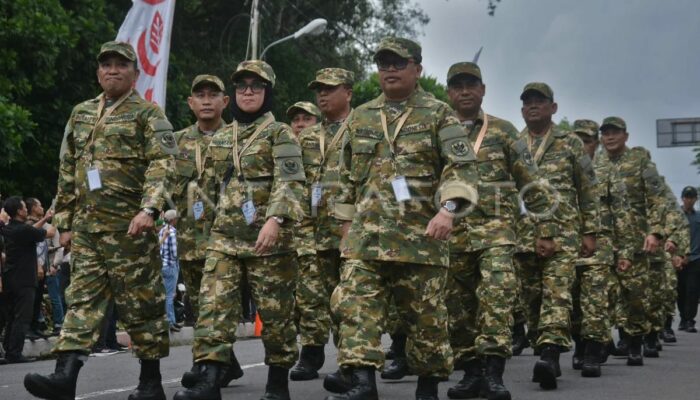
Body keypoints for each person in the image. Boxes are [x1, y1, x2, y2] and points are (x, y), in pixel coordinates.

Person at [326, 37, 479, 400]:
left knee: (425, 322)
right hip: (366, 240)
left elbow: (463, 167)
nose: (390, 70)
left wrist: (448, 210)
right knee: (355, 308)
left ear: (417, 69)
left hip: (421, 241)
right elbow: (344, 175)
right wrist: (346, 226)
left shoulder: (439, 114)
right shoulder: (361, 115)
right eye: (383, 64)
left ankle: (427, 387)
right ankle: (363, 383)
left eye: (398, 63)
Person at [24, 41, 177, 400]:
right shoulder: (81, 113)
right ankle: (65, 378)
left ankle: (151, 382)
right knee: (81, 302)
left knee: (142, 306)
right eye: (106, 64)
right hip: (89, 231)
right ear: (98, 72)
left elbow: (163, 165)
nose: (112, 70)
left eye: (120, 65)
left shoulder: (149, 115)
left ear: (134, 73)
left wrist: (149, 209)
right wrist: (64, 222)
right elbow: (68, 168)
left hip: (130, 230)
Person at [173, 60, 305, 400]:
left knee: (276, 319)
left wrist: (275, 220)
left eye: (256, 87)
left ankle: (277, 384)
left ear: (268, 92)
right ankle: (210, 381)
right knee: (213, 311)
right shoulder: (222, 136)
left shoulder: (280, 134)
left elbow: (290, 182)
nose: (248, 92)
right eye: (242, 86)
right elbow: (206, 186)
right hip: (224, 241)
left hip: (268, 244)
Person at [443, 63, 557, 400]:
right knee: (458, 309)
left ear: (483, 90)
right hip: (451, 235)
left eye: (471, 85)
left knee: (496, 298)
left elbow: (532, 182)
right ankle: (471, 374)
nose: (465, 91)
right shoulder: (438, 130)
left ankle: (494, 375)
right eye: (458, 86)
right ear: (449, 93)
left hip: (497, 233)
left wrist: (546, 228)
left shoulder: (504, 131)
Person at [515, 83, 598, 390]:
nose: (533, 106)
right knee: (532, 299)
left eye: (540, 101)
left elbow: (587, 188)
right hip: (523, 235)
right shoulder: (514, 143)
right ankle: (543, 344)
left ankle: (550, 356)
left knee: (557, 294)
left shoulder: (570, 143)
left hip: (564, 234)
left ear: (554, 107)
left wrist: (591, 232)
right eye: (527, 102)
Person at [170, 74, 244, 389]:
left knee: (220, 302)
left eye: (213, 94)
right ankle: (224, 363)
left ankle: (206, 364)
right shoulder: (176, 142)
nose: (206, 100)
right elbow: (165, 184)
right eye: (199, 94)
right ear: (190, 103)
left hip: (227, 236)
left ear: (225, 102)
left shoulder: (240, 138)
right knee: (200, 304)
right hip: (191, 236)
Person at [291, 68, 354, 382]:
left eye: (330, 88)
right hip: (313, 232)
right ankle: (311, 353)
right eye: (319, 89)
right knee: (311, 296)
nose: (323, 95)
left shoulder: (362, 128)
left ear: (348, 93)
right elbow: (296, 182)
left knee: (348, 298)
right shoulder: (308, 137)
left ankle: (350, 361)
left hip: (349, 231)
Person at [595, 116, 666, 367]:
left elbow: (658, 198)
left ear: (626, 135)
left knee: (634, 295)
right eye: (605, 133)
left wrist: (655, 232)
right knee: (602, 294)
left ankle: (635, 342)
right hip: (603, 239)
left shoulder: (640, 162)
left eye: (615, 132)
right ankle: (605, 340)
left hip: (636, 239)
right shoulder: (596, 164)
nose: (610, 137)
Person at [569, 119, 618, 377]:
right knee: (574, 302)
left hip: (600, 243)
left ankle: (592, 352)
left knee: (595, 301)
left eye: (587, 141)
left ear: (595, 144)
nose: (582, 146)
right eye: (577, 141)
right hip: (569, 243)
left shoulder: (607, 170)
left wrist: (627, 251)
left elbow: (622, 212)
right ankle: (580, 344)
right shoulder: (563, 167)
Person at [0, 196, 52, 363]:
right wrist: (56, 219)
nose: (26, 209)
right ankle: (15, 353)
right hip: (24, 280)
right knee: (22, 318)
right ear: (19, 211)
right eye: (23, 207)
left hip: (10, 279)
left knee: (12, 318)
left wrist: (44, 218)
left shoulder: (9, 229)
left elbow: (31, 231)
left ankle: (9, 350)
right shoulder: (24, 231)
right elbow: (49, 233)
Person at [679, 186, 700, 332]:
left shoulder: (698, 217)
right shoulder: (676, 215)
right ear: (682, 198)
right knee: (680, 290)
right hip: (678, 259)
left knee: (693, 290)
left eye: (692, 197)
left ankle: (690, 320)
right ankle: (682, 318)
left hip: (695, 258)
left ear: (696, 199)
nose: (689, 200)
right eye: (687, 197)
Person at [160, 210, 181, 332]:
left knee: (165, 295)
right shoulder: (172, 232)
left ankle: (169, 320)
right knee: (169, 296)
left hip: (162, 264)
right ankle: (170, 322)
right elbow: (175, 253)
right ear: (173, 220)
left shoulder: (162, 230)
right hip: (170, 266)